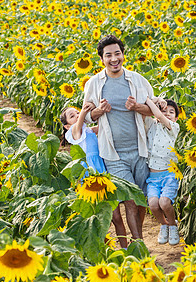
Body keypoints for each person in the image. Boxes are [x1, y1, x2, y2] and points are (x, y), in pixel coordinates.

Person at [83, 34, 166, 244]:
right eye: (108, 55)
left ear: (123, 55)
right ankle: (139, 248)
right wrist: (99, 112)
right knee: (129, 199)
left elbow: (154, 110)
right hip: (113, 153)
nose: (114, 59)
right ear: (102, 59)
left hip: (140, 149)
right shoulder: (93, 84)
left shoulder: (137, 80)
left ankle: (136, 244)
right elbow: (86, 116)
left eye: (117, 54)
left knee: (140, 202)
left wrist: (137, 107)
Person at [60, 103, 128, 249]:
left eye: (77, 112)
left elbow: (105, 126)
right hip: (90, 178)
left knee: (116, 216)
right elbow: (78, 127)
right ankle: (104, 249)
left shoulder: (88, 130)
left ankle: (125, 248)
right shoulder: (73, 133)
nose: (78, 115)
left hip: (103, 172)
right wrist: (84, 111)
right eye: (73, 116)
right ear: (67, 126)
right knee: (99, 218)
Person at [144, 96, 180, 245]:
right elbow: (146, 116)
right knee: (153, 204)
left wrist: (148, 100)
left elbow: (157, 115)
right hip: (153, 176)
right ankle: (164, 225)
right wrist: (155, 99)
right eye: (164, 111)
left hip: (169, 174)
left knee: (164, 203)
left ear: (176, 118)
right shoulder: (152, 125)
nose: (166, 114)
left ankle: (173, 225)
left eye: (171, 112)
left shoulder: (174, 128)